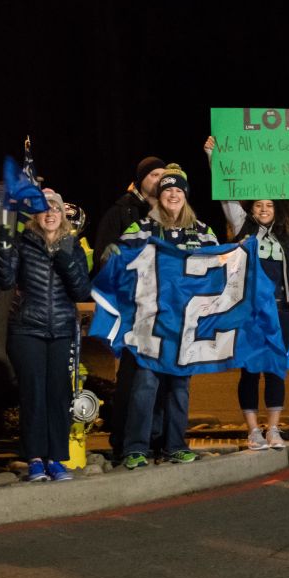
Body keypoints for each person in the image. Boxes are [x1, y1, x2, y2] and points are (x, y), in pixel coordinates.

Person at [204, 135, 289, 451]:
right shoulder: (243, 228)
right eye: (258, 205)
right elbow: (228, 197)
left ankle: (273, 429)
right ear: (252, 209)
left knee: (275, 369)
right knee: (249, 371)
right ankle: (252, 431)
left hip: (282, 308)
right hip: (250, 311)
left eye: (269, 205)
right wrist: (212, 157)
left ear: (277, 209)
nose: (263, 209)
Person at [115, 165, 218, 469]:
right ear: (159, 197)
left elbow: (221, 264)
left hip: (186, 323)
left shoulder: (202, 231)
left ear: (185, 196)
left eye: (178, 190)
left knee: (179, 386)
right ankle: (136, 447)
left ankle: (175, 445)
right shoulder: (143, 227)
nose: (173, 194)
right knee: (145, 384)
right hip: (151, 323)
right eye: (167, 190)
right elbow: (120, 258)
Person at [0, 188, 92, 482]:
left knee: (58, 395)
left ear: (63, 214)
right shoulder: (24, 242)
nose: (50, 213)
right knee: (33, 394)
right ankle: (35, 458)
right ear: (36, 214)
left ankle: (56, 458)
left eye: (56, 208)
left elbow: (81, 290)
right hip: (28, 328)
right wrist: (4, 249)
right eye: (44, 208)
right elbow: (5, 279)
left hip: (61, 329)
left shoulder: (72, 245)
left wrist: (64, 259)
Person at [92, 155, 166, 463]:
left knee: (163, 378)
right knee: (132, 379)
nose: (159, 180)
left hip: (165, 311)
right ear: (140, 180)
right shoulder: (120, 213)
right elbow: (104, 257)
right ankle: (125, 441)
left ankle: (159, 440)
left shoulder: (173, 216)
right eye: (153, 175)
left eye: (164, 175)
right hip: (133, 310)